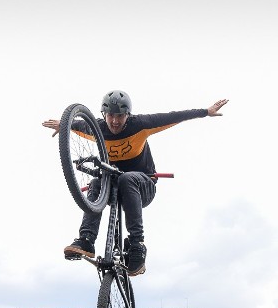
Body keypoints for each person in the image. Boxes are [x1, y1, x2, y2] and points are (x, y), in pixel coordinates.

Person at [43, 91, 228, 276]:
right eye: (110, 116)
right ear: (104, 115)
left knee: (126, 178)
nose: (115, 121)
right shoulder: (97, 129)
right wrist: (64, 125)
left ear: (128, 115)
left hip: (143, 186)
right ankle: (86, 240)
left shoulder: (140, 125)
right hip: (111, 187)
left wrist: (206, 111)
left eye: (120, 116)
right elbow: (76, 124)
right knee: (96, 182)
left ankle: (137, 244)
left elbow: (174, 116)